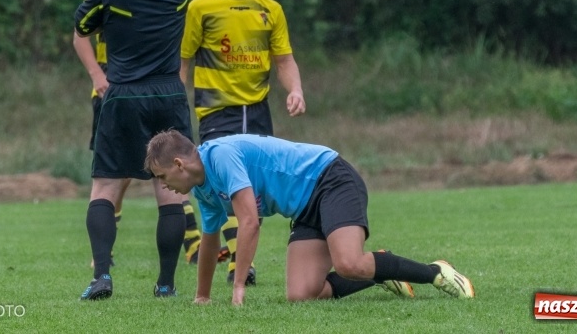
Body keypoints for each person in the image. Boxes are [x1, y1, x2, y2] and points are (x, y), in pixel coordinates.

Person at [144, 130, 475, 305]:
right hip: (304, 209)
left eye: (162, 177)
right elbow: (210, 239)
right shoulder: (201, 189)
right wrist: (202, 295)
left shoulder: (220, 156)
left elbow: (249, 222)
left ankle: (436, 273)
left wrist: (239, 285)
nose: (165, 186)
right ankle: (379, 267)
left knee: (347, 264)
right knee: (301, 295)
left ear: (178, 164)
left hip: (330, 179)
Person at [73, 0, 198, 301]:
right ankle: (165, 284)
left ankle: (101, 275)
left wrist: (100, 77)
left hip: (121, 94)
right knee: (170, 193)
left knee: (105, 186)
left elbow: (81, 28)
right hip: (167, 93)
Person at [179, 0, 306, 285]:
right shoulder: (201, 8)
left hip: (258, 109)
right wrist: (175, 101)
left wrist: (295, 89)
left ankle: (241, 261)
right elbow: (183, 61)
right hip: (217, 110)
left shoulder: (271, 9)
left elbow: (284, 60)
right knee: (228, 187)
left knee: (257, 192)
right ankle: (239, 265)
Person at [72, 0, 131, 268]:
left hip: (149, 82)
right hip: (112, 84)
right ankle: (102, 255)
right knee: (114, 175)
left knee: (164, 167)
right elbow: (81, 34)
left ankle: (187, 247)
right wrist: (98, 77)